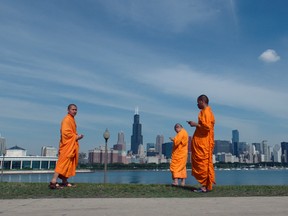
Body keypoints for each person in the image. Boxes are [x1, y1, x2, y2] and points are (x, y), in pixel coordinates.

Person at [49, 104, 84, 189]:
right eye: (73, 109)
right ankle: (53, 181)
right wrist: (76, 137)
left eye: (76, 110)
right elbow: (65, 133)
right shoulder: (66, 119)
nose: (75, 111)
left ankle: (64, 181)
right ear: (68, 110)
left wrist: (76, 137)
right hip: (66, 145)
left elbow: (70, 132)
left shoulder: (72, 119)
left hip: (70, 145)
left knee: (67, 164)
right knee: (62, 163)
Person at [187, 94, 215, 192]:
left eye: (198, 102)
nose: (197, 104)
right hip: (202, 142)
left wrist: (195, 124)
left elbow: (207, 128)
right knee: (203, 163)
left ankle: (204, 186)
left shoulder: (206, 112)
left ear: (202, 101)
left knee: (203, 164)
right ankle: (205, 186)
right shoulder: (204, 112)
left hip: (204, 143)